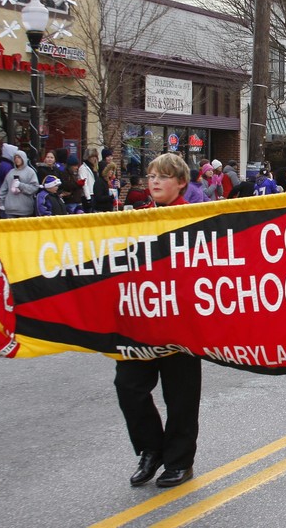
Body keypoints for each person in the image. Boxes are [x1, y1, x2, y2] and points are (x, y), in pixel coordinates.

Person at [115, 153, 202, 488]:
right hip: (142, 323)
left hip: (181, 324)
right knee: (128, 387)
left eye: (163, 176)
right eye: (151, 175)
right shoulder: (137, 219)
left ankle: (179, 461)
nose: (154, 181)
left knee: (180, 396)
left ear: (181, 182)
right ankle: (150, 450)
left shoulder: (194, 218)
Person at [0, 149, 39, 218]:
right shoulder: (10, 172)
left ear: (24, 158)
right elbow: (4, 189)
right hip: (10, 210)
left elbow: (34, 188)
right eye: (15, 157)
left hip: (24, 210)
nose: (17, 159)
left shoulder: (30, 172)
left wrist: (20, 185)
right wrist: (1, 203)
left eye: (19, 157)